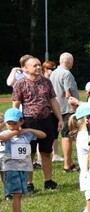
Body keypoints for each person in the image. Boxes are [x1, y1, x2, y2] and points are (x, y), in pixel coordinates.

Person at [11, 55, 62, 191]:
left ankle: (48, 181)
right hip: (28, 122)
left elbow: (53, 101)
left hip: (46, 120)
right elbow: (15, 105)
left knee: (46, 151)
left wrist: (60, 119)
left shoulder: (47, 82)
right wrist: (15, 124)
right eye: (35, 65)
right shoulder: (20, 84)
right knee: (29, 153)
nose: (39, 67)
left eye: (39, 64)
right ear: (25, 69)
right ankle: (29, 183)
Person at [1, 108, 47, 212]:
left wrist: (29, 129)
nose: (11, 126)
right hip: (11, 169)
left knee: (20, 194)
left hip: (23, 168)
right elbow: (3, 138)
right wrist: (15, 132)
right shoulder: (5, 134)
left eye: (14, 123)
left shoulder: (26, 134)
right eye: (8, 123)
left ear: (21, 121)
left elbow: (43, 135)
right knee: (17, 194)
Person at [50, 52, 81, 172]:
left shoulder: (54, 73)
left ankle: (69, 162)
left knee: (64, 135)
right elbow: (68, 93)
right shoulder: (66, 73)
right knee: (67, 136)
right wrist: (75, 108)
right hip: (67, 109)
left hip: (57, 108)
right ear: (69, 62)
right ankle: (67, 165)